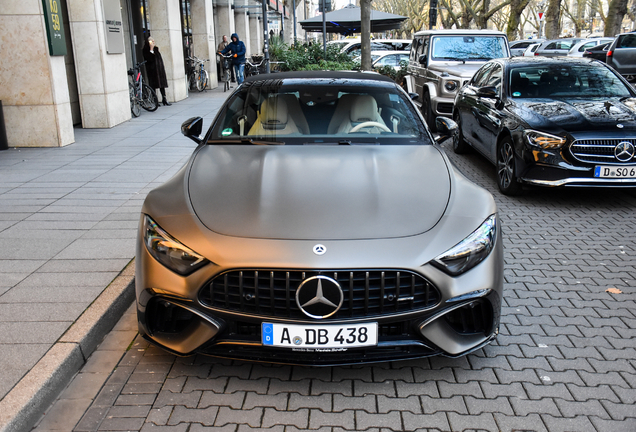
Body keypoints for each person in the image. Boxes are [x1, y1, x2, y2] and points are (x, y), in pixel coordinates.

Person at [143, 37, 171, 106]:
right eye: (151, 41)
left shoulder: (156, 49)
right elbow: (150, 59)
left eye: (153, 41)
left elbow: (159, 59)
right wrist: (151, 49)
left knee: (162, 85)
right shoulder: (146, 50)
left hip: (159, 69)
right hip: (152, 70)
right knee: (153, 85)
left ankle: (164, 99)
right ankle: (155, 101)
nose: (153, 42)